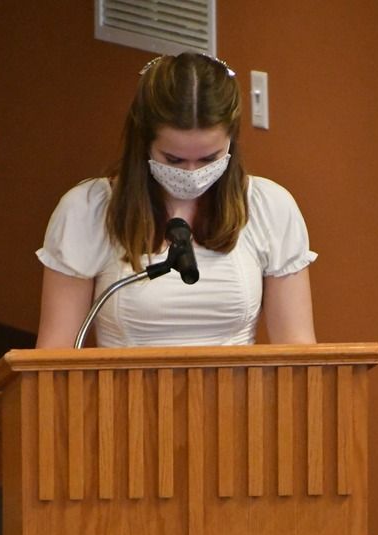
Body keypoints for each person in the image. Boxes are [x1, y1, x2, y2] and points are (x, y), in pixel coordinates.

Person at [36, 53, 317, 348]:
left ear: (231, 141)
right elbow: (55, 353)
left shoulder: (270, 206)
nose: (192, 172)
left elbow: (296, 349)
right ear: (143, 142)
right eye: (174, 159)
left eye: (208, 158)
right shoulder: (86, 210)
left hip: (235, 381)